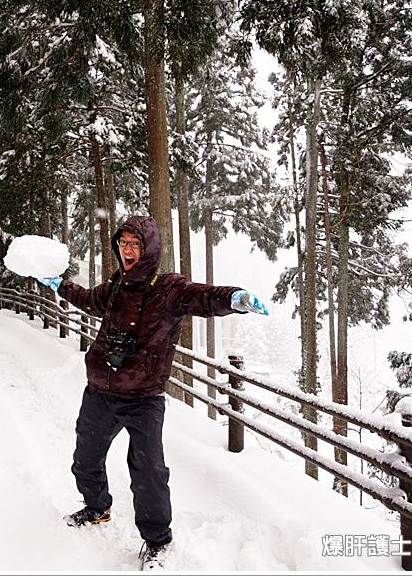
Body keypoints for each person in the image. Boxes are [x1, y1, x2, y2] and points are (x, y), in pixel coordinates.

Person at [37, 215, 268, 569]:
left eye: (134, 244)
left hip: (144, 398)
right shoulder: (115, 286)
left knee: (147, 472)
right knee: (85, 457)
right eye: (122, 243)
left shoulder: (170, 289)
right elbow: (87, 300)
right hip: (100, 391)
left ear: (148, 249)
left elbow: (203, 298)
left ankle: (157, 541)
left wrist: (233, 297)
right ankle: (97, 508)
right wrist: (59, 285)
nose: (127, 250)